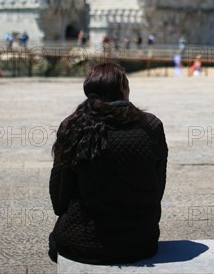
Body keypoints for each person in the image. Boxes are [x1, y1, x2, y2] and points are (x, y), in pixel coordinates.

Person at [48, 62, 168, 265]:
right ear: (123, 89)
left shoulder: (73, 125)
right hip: (140, 241)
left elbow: (59, 200)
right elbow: (157, 189)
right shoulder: (152, 126)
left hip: (82, 243)